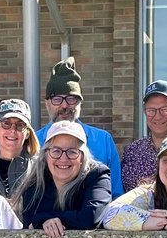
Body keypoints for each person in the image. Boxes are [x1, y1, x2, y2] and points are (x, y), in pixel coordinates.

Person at [34, 58, 124, 198]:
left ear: (80, 103)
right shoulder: (34, 142)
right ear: (47, 104)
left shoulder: (103, 140)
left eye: (71, 99)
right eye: (57, 99)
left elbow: (116, 194)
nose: (64, 106)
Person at [13, 120, 111, 238]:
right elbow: (28, 226)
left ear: (82, 157)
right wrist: (44, 221)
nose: (63, 158)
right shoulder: (35, 182)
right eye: (56, 151)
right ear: (46, 155)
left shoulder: (97, 175)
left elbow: (91, 218)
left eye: (72, 152)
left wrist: (45, 218)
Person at [0, 98, 38, 198]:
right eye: (6, 123)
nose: (13, 130)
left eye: (20, 125)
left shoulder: (39, 168)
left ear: (27, 133)